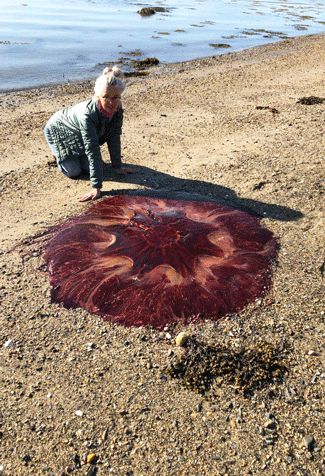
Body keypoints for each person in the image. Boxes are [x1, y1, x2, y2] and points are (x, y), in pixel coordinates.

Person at [44, 66, 135, 202]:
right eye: (106, 97)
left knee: (90, 168)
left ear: (120, 95)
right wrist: (96, 187)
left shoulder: (118, 109)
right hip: (59, 129)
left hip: (80, 133)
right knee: (74, 172)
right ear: (98, 96)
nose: (111, 102)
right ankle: (58, 155)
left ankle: (77, 154)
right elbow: (92, 148)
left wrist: (117, 166)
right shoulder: (87, 114)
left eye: (115, 97)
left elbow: (114, 136)